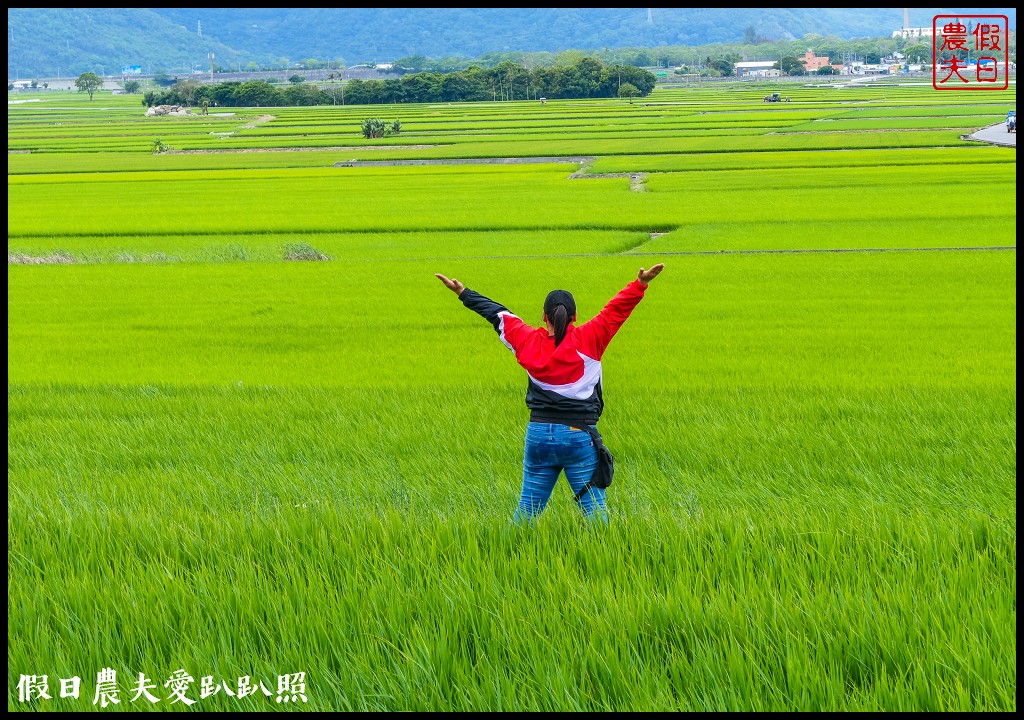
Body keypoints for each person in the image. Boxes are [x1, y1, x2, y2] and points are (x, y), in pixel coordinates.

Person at [435, 263, 665, 524]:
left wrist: (463, 292)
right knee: (596, 518)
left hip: (538, 436)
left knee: (526, 513)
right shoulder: (590, 338)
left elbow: (497, 314)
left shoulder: (526, 341)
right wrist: (640, 284)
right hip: (578, 437)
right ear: (574, 316)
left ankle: (505, 553)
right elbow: (616, 310)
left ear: (544, 317)